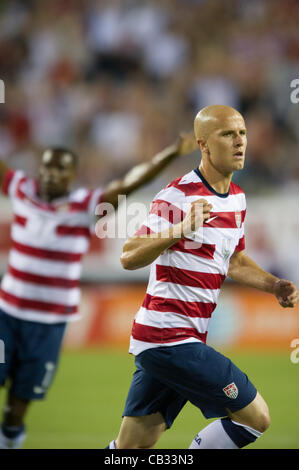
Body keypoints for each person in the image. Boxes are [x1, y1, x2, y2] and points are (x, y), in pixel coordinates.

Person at [108, 105, 299, 450]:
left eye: (242, 133)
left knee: (130, 449)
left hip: (176, 340)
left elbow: (234, 260)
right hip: (168, 337)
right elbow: (128, 256)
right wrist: (181, 227)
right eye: (227, 134)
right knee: (256, 418)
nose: (239, 141)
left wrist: (273, 284)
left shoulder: (237, 199)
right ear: (204, 144)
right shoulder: (177, 195)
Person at [0, 134, 197, 449]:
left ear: (72, 176)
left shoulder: (85, 206)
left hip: (47, 324)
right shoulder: (21, 189)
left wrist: (171, 152)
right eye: (46, 168)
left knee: (16, 408)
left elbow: (129, 182)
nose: (50, 174)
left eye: (59, 170)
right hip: (6, 315)